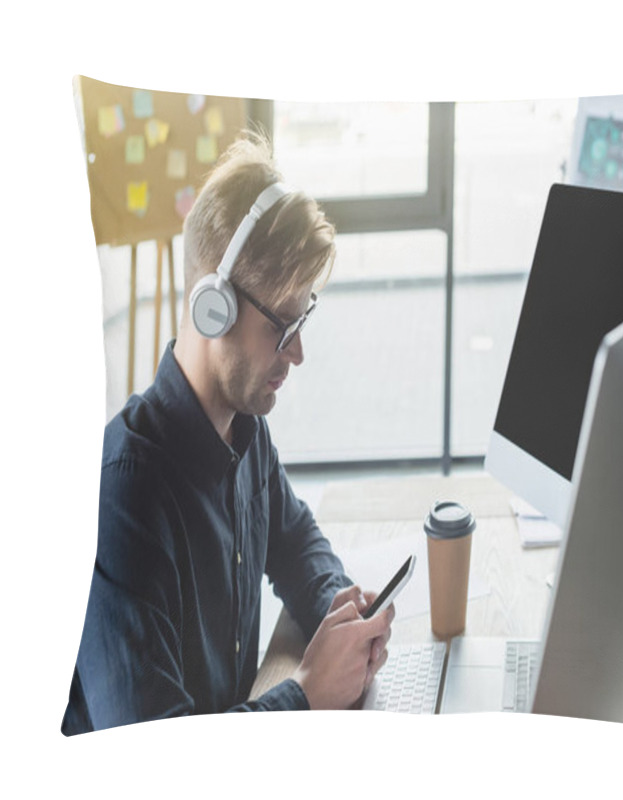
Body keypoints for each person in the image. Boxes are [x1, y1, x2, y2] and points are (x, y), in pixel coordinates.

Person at [62, 130, 394, 735]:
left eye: (303, 320)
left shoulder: (245, 432)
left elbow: (295, 542)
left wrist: (339, 606)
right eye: (282, 326)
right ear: (211, 306)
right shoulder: (123, 500)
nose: (297, 354)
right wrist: (307, 692)